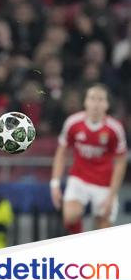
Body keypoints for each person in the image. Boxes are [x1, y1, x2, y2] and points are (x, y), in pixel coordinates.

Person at [51, 84, 127, 233]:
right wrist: (54, 184)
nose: (95, 104)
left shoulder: (115, 128)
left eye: (100, 99)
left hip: (104, 183)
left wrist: (112, 195)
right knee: (70, 216)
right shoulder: (73, 123)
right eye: (92, 98)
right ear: (85, 102)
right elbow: (61, 152)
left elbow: (120, 162)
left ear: (107, 104)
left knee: (104, 226)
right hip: (79, 178)